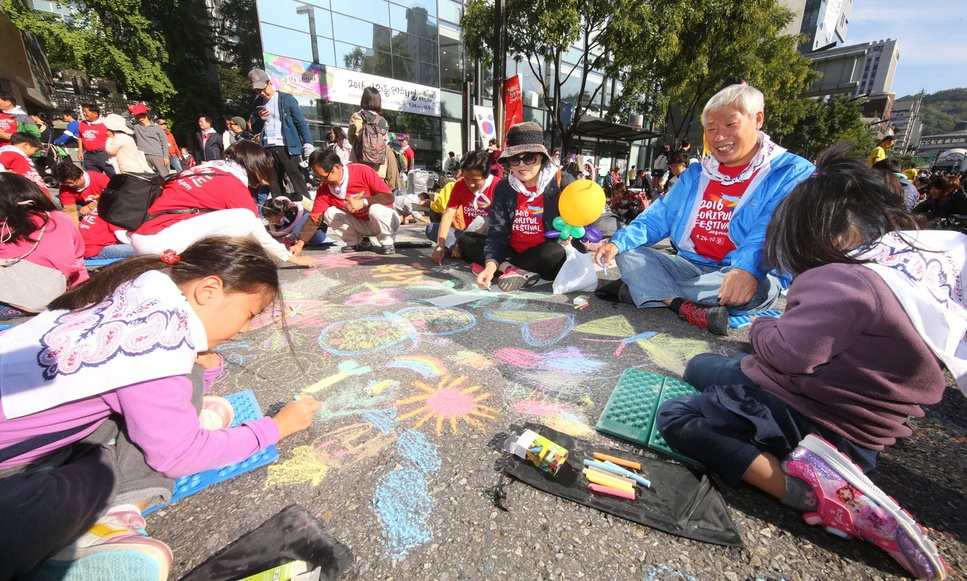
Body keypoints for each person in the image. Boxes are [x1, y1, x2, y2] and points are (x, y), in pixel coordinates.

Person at [656, 147, 954, 581]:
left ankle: (802, 489)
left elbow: (787, 353)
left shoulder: (843, 280)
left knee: (678, 415)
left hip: (809, 411)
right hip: (865, 429)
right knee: (701, 366)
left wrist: (760, 328)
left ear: (824, 235)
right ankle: (831, 467)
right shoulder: (914, 270)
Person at [0, 236, 322, 578]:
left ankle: (183, 426)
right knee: (100, 472)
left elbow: (153, 387)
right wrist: (276, 429)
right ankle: (109, 523)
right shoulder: (161, 338)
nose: (244, 328)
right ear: (209, 290)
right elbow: (177, 455)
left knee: (164, 400)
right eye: (249, 314)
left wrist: (203, 374)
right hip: (14, 475)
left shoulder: (140, 291)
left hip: (25, 438)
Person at [595, 84, 814, 335]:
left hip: (743, 271)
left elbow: (769, 230)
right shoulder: (698, 173)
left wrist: (747, 270)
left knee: (754, 288)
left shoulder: (790, 172)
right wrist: (617, 243)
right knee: (628, 254)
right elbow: (659, 216)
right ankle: (678, 304)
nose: (718, 137)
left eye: (730, 125)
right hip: (689, 267)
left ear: (758, 119)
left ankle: (646, 291)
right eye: (711, 129)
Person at [130, 140, 314, 267]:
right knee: (245, 218)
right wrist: (289, 258)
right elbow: (256, 229)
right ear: (255, 167)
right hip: (163, 242)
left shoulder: (206, 168)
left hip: (146, 234)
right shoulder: (231, 183)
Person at [474, 121, 577, 291]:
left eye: (529, 158)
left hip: (543, 253)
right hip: (512, 251)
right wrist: (491, 265)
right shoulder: (504, 187)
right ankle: (509, 269)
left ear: (542, 157)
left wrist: (574, 237)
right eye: (515, 159)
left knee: (555, 253)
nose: (522, 165)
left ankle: (509, 268)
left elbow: (582, 220)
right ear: (509, 162)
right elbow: (497, 232)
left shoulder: (562, 182)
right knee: (468, 240)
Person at [0, 173, 87, 318]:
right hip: (51, 298)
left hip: (8, 300)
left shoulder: (5, 225)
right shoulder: (61, 219)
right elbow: (77, 262)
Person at [300, 149, 398, 254]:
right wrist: (300, 243)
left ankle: (387, 241)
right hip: (361, 225)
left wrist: (365, 202)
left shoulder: (362, 171)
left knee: (375, 209)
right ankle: (355, 242)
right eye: (319, 179)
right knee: (330, 213)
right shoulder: (324, 189)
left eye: (324, 177)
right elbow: (314, 219)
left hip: (384, 221)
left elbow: (389, 197)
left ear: (337, 167)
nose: (323, 182)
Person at [248, 68, 315, 202]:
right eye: (257, 91)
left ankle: (309, 215)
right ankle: (282, 218)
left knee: (297, 182)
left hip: (287, 147)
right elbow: (254, 129)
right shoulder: (257, 103)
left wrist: (308, 143)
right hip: (267, 148)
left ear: (269, 82)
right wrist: (260, 119)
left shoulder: (286, 99)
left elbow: (300, 122)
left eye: (262, 88)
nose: (261, 93)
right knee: (275, 186)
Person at [430, 150, 497, 265]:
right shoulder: (459, 185)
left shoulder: (498, 186)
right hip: (465, 233)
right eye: (466, 178)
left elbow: (499, 224)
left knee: (481, 223)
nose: (470, 184)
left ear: (485, 176)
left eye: (476, 180)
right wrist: (440, 245)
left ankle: (461, 249)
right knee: (431, 229)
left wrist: (462, 242)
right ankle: (458, 248)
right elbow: (448, 214)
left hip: (489, 236)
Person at [348, 87, 390, 174]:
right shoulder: (382, 121)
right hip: (378, 169)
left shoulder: (357, 116)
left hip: (359, 165)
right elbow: (385, 142)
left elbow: (351, 139)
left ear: (364, 99)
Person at [262, 196, 327, 247]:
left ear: (279, 214)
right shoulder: (282, 217)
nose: (269, 221)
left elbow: (309, 219)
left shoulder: (292, 213)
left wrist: (292, 236)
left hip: (317, 232)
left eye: (269, 219)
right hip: (306, 234)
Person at [0, 132, 50, 197]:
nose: (34, 154)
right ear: (25, 145)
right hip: (25, 197)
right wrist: (6, 175)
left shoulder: (18, 156)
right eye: (35, 150)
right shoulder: (10, 153)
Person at [129, 103, 169, 176]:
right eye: (137, 115)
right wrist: (130, 110)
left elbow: (164, 143)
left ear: (146, 113)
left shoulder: (156, 127)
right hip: (143, 157)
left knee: (165, 176)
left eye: (141, 114)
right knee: (149, 179)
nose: (140, 117)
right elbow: (125, 121)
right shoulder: (136, 127)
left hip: (158, 156)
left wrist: (166, 157)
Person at [79, 103, 114, 176]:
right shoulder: (82, 124)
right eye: (83, 111)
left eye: (86, 111)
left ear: (95, 114)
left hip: (104, 154)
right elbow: (80, 137)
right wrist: (80, 151)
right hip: (88, 156)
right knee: (92, 177)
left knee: (113, 175)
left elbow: (112, 137)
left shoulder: (105, 124)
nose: (84, 114)